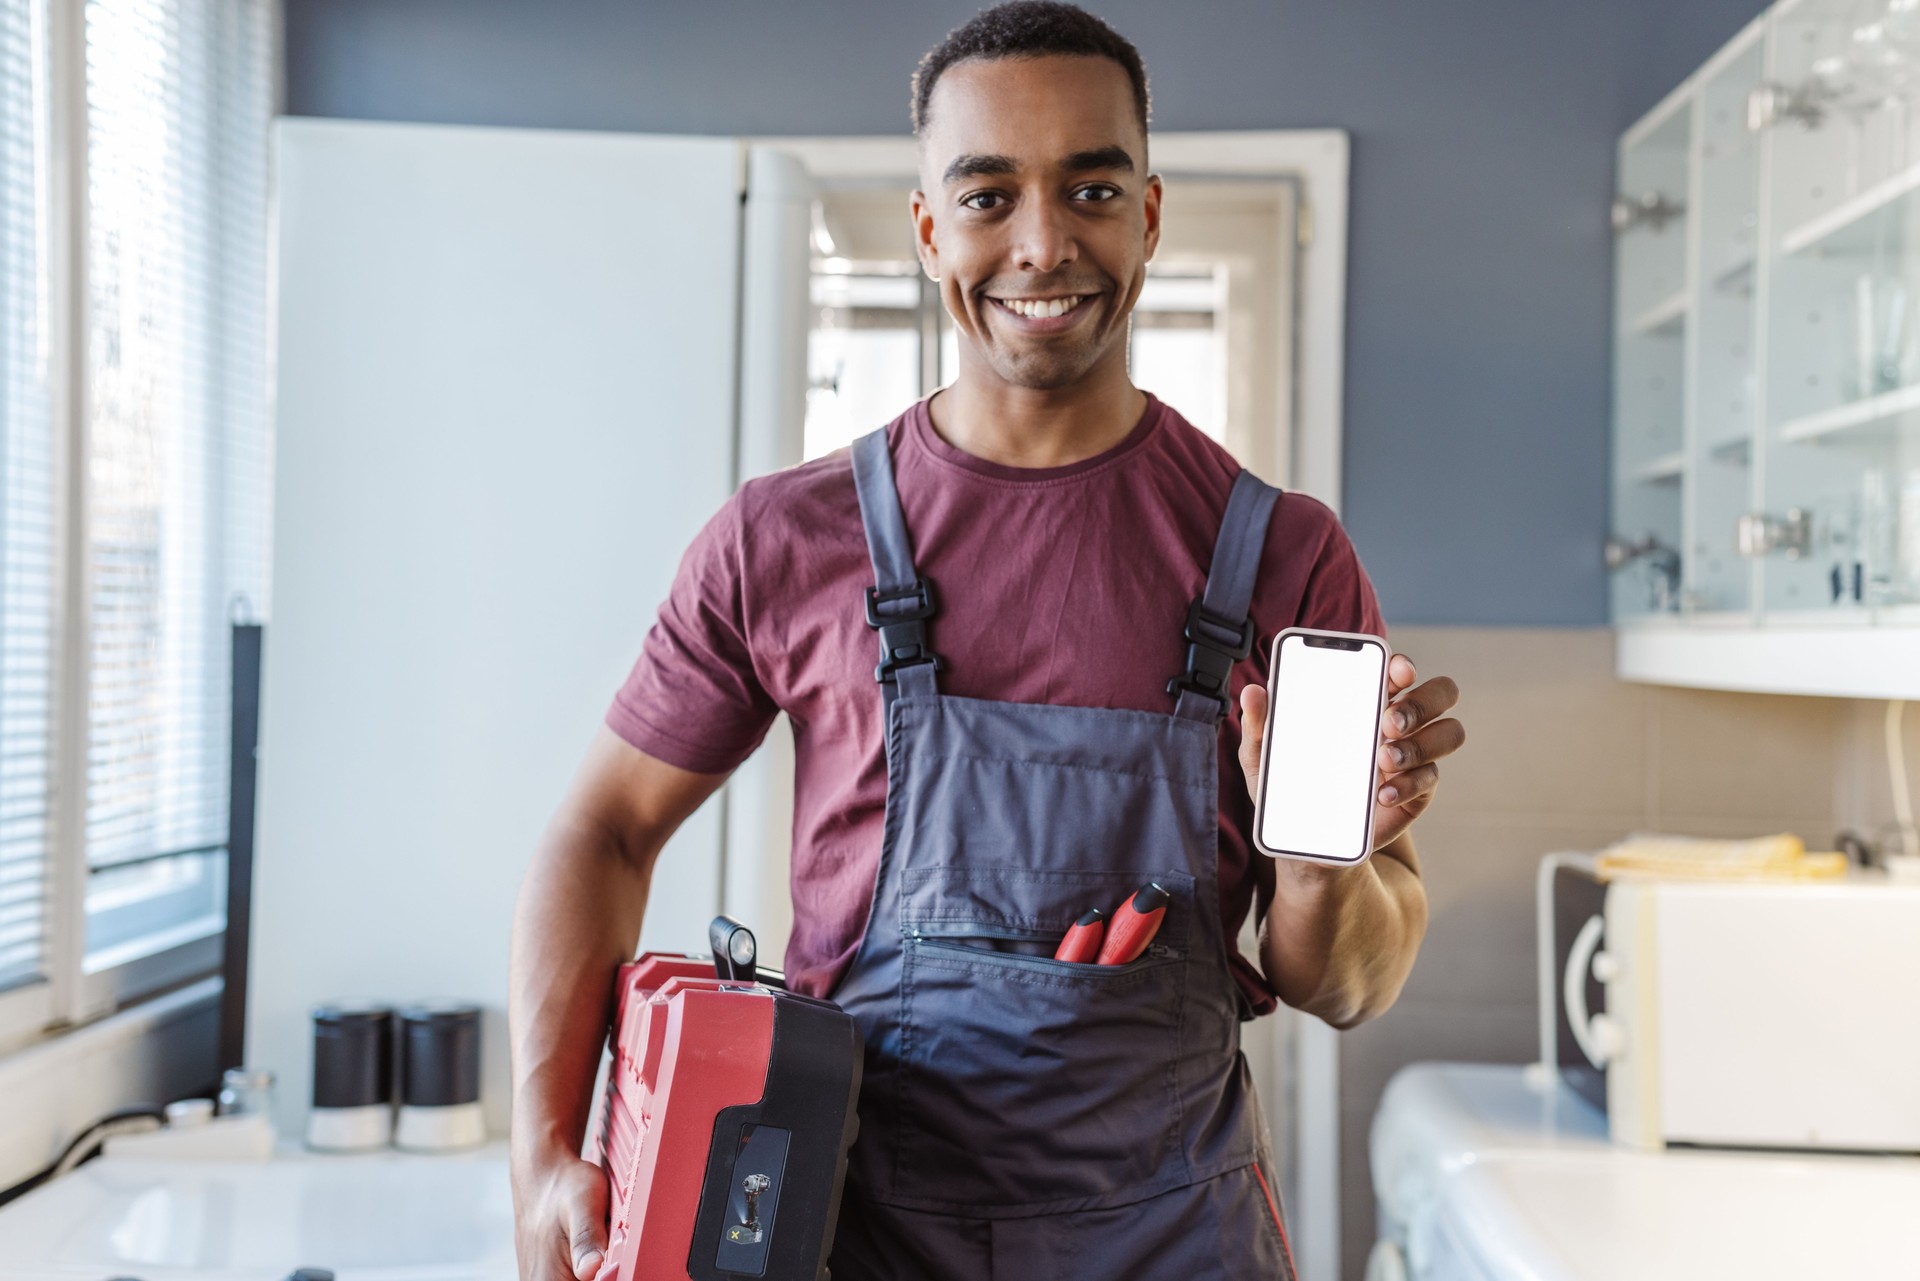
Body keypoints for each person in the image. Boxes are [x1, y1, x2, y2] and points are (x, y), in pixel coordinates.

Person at [509, 4, 1464, 1277]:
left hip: (1179, 1245)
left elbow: (1348, 985)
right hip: (848, 1237)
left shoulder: (1285, 557)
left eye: (1092, 189)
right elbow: (604, 831)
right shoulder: (783, 540)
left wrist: (1316, 874)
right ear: (927, 229)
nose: (1043, 243)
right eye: (988, 196)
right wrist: (543, 1153)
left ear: (1150, 215)